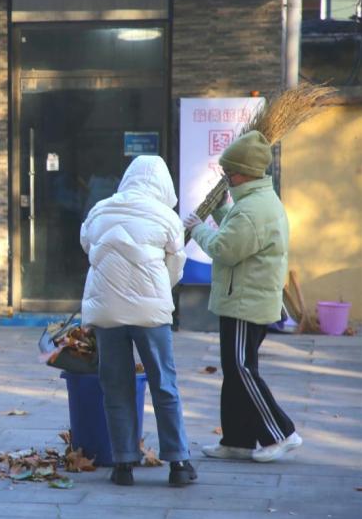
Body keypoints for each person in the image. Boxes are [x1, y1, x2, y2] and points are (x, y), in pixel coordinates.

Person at [184, 130, 301, 463]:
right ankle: (237, 440)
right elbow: (241, 237)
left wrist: (197, 227)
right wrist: (220, 214)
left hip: (245, 303)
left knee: (242, 369)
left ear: (244, 172)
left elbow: (225, 248)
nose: (227, 178)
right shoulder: (256, 203)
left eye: (229, 172)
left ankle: (282, 434)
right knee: (235, 370)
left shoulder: (253, 209)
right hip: (246, 299)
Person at [80, 155, 197, 487]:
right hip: (150, 314)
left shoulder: (99, 210)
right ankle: (179, 463)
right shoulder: (166, 217)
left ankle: (122, 464)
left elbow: (87, 247)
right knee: (163, 383)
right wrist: (159, 289)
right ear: (164, 184)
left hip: (106, 311)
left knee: (115, 385)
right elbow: (175, 267)